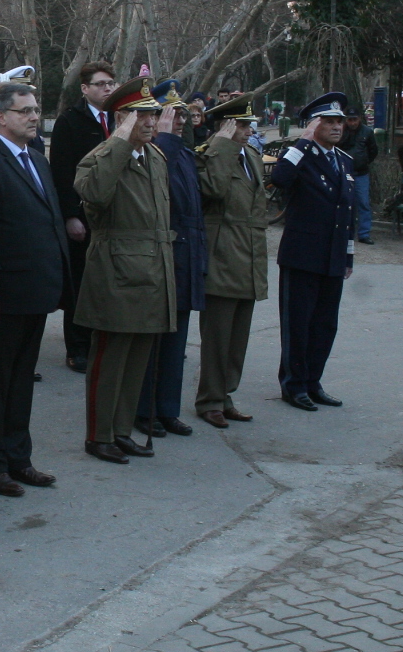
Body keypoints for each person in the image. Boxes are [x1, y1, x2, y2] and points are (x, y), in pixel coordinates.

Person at [0, 77, 68, 495]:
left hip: (36, 290)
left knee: (22, 378)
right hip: (4, 296)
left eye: (35, 109)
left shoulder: (35, 158)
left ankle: (18, 457)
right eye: (25, 111)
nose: (34, 117)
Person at [73, 79, 175, 462]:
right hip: (117, 272)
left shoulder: (155, 157)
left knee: (137, 358)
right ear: (121, 119)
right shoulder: (101, 156)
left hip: (152, 270)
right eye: (142, 115)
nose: (151, 122)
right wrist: (119, 141)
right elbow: (95, 194)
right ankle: (99, 435)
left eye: (152, 114)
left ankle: (121, 429)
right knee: (110, 359)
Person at [269, 92, 356, 410]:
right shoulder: (299, 154)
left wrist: (347, 255)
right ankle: (293, 384)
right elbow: (279, 179)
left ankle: (312, 381)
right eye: (329, 122)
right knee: (299, 322)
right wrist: (303, 142)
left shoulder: (344, 160)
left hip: (331, 255)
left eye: (340, 122)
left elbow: (349, 214)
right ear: (313, 125)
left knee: (324, 325)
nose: (337, 127)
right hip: (302, 254)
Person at [136, 82, 206, 441]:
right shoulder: (155, 151)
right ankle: (144, 410)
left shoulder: (184, 152)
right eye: (169, 113)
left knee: (176, 341)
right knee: (155, 342)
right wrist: (163, 138)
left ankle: (167, 409)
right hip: (163, 258)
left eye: (180, 114)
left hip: (186, 257)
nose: (177, 120)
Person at [193, 93, 267, 429]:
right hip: (222, 256)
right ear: (225, 125)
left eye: (250, 123)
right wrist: (221, 146)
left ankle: (226, 395)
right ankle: (209, 399)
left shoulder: (249, 154)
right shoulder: (209, 155)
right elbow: (214, 192)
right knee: (217, 338)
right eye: (242, 124)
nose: (249, 130)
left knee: (237, 338)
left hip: (248, 257)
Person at [49, 61, 118, 372]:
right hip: (83, 214)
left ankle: (104, 339)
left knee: (108, 281)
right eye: (101, 84)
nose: (107, 89)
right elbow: (62, 172)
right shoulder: (70, 121)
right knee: (80, 283)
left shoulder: (119, 118)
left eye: (110, 83)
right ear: (85, 88)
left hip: (114, 215)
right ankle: (77, 348)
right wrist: (70, 215)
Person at [342, 107, 378, 242]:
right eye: (350, 120)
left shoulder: (367, 132)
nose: (352, 123)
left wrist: (364, 161)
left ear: (359, 119)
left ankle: (364, 233)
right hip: (344, 172)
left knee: (363, 203)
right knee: (344, 202)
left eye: (354, 120)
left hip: (361, 173)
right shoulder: (341, 131)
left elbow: (373, 150)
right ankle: (344, 231)